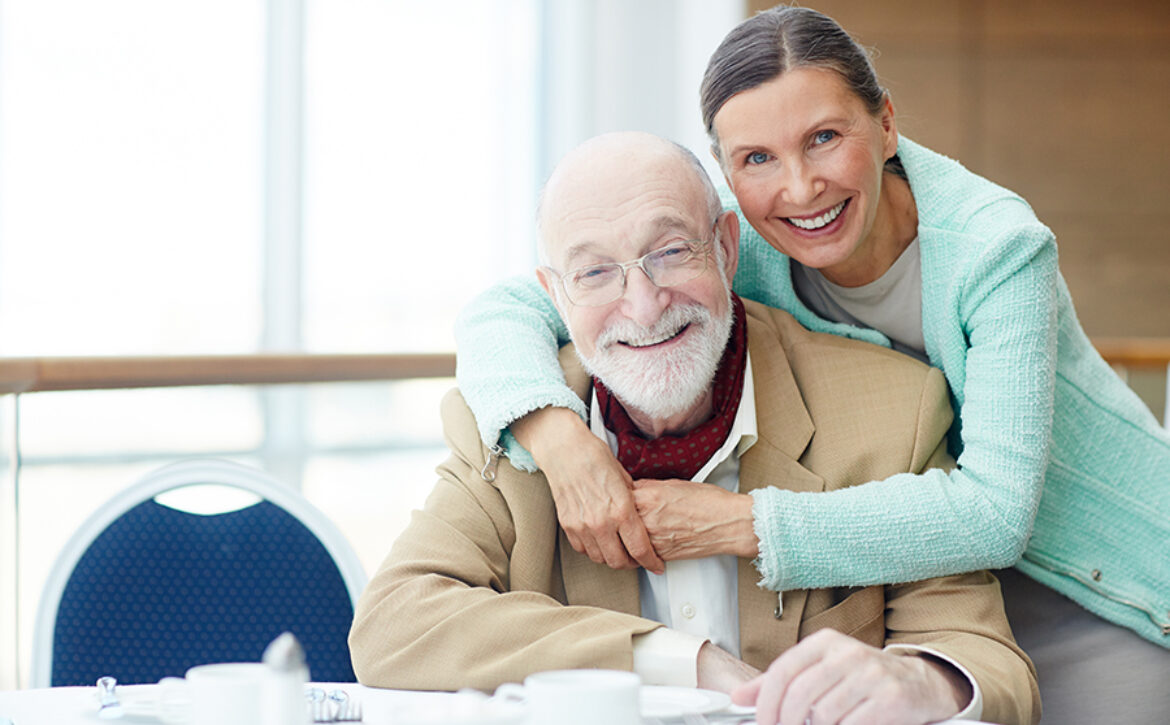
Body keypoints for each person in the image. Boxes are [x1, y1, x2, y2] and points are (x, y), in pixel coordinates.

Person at [455, 0, 1169, 674]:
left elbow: (995, 514)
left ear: (885, 124)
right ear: (727, 172)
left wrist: (740, 524)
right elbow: (506, 308)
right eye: (757, 158)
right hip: (942, 586)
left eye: (824, 138)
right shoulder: (733, 240)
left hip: (1109, 580)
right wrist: (558, 440)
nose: (799, 189)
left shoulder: (998, 250)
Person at [350, 132, 1038, 725]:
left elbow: (989, 664)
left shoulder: (894, 407)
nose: (644, 306)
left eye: (672, 251)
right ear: (555, 294)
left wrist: (923, 678)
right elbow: (394, 625)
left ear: (727, 249)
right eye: (596, 272)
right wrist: (679, 663)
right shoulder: (511, 426)